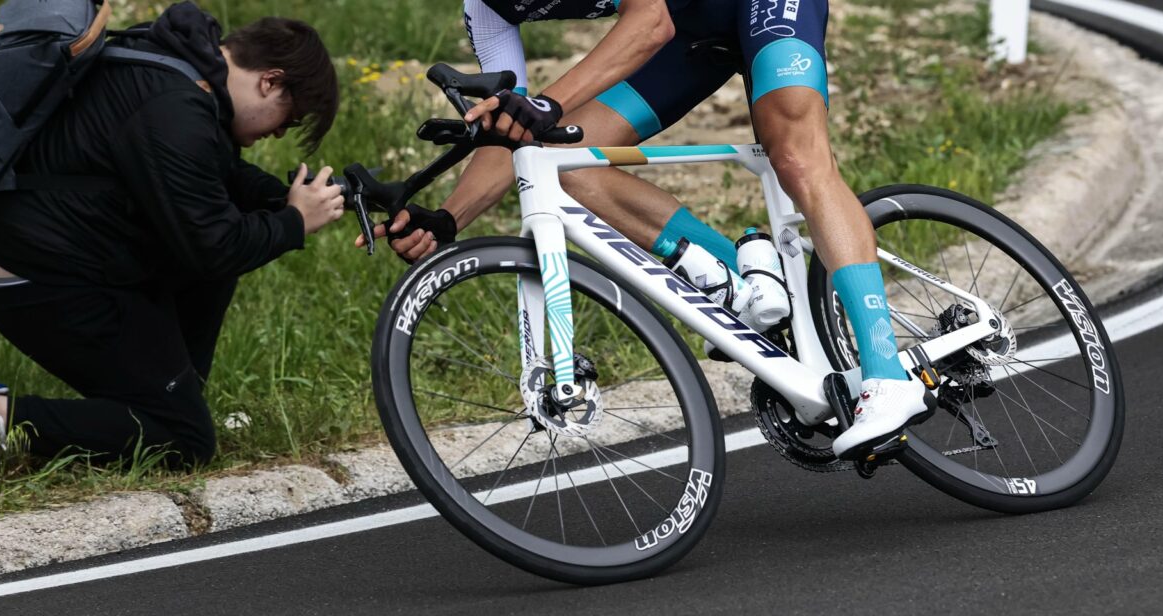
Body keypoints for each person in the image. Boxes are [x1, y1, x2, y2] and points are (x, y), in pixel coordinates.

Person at [359, 0, 931, 460]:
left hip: (740, 9)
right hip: (692, 27)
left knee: (798, 157)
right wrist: (449, 217)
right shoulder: (487, 8)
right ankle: (744, 283)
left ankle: (886, 375)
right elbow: (513, 125)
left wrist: (548, 102)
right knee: (572, 165)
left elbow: (647, 21)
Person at [0, 2, 344, 487]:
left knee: (205, 279)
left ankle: (172, 399)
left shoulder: (177, 63)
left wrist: (290, 197)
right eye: (286, 119)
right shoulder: (175, 108)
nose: (277, 132)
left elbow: (217, 175)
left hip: (47, 252)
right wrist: (295, 222)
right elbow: (216, 245)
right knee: (185, 440)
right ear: (270, 81)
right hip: (38, 280)